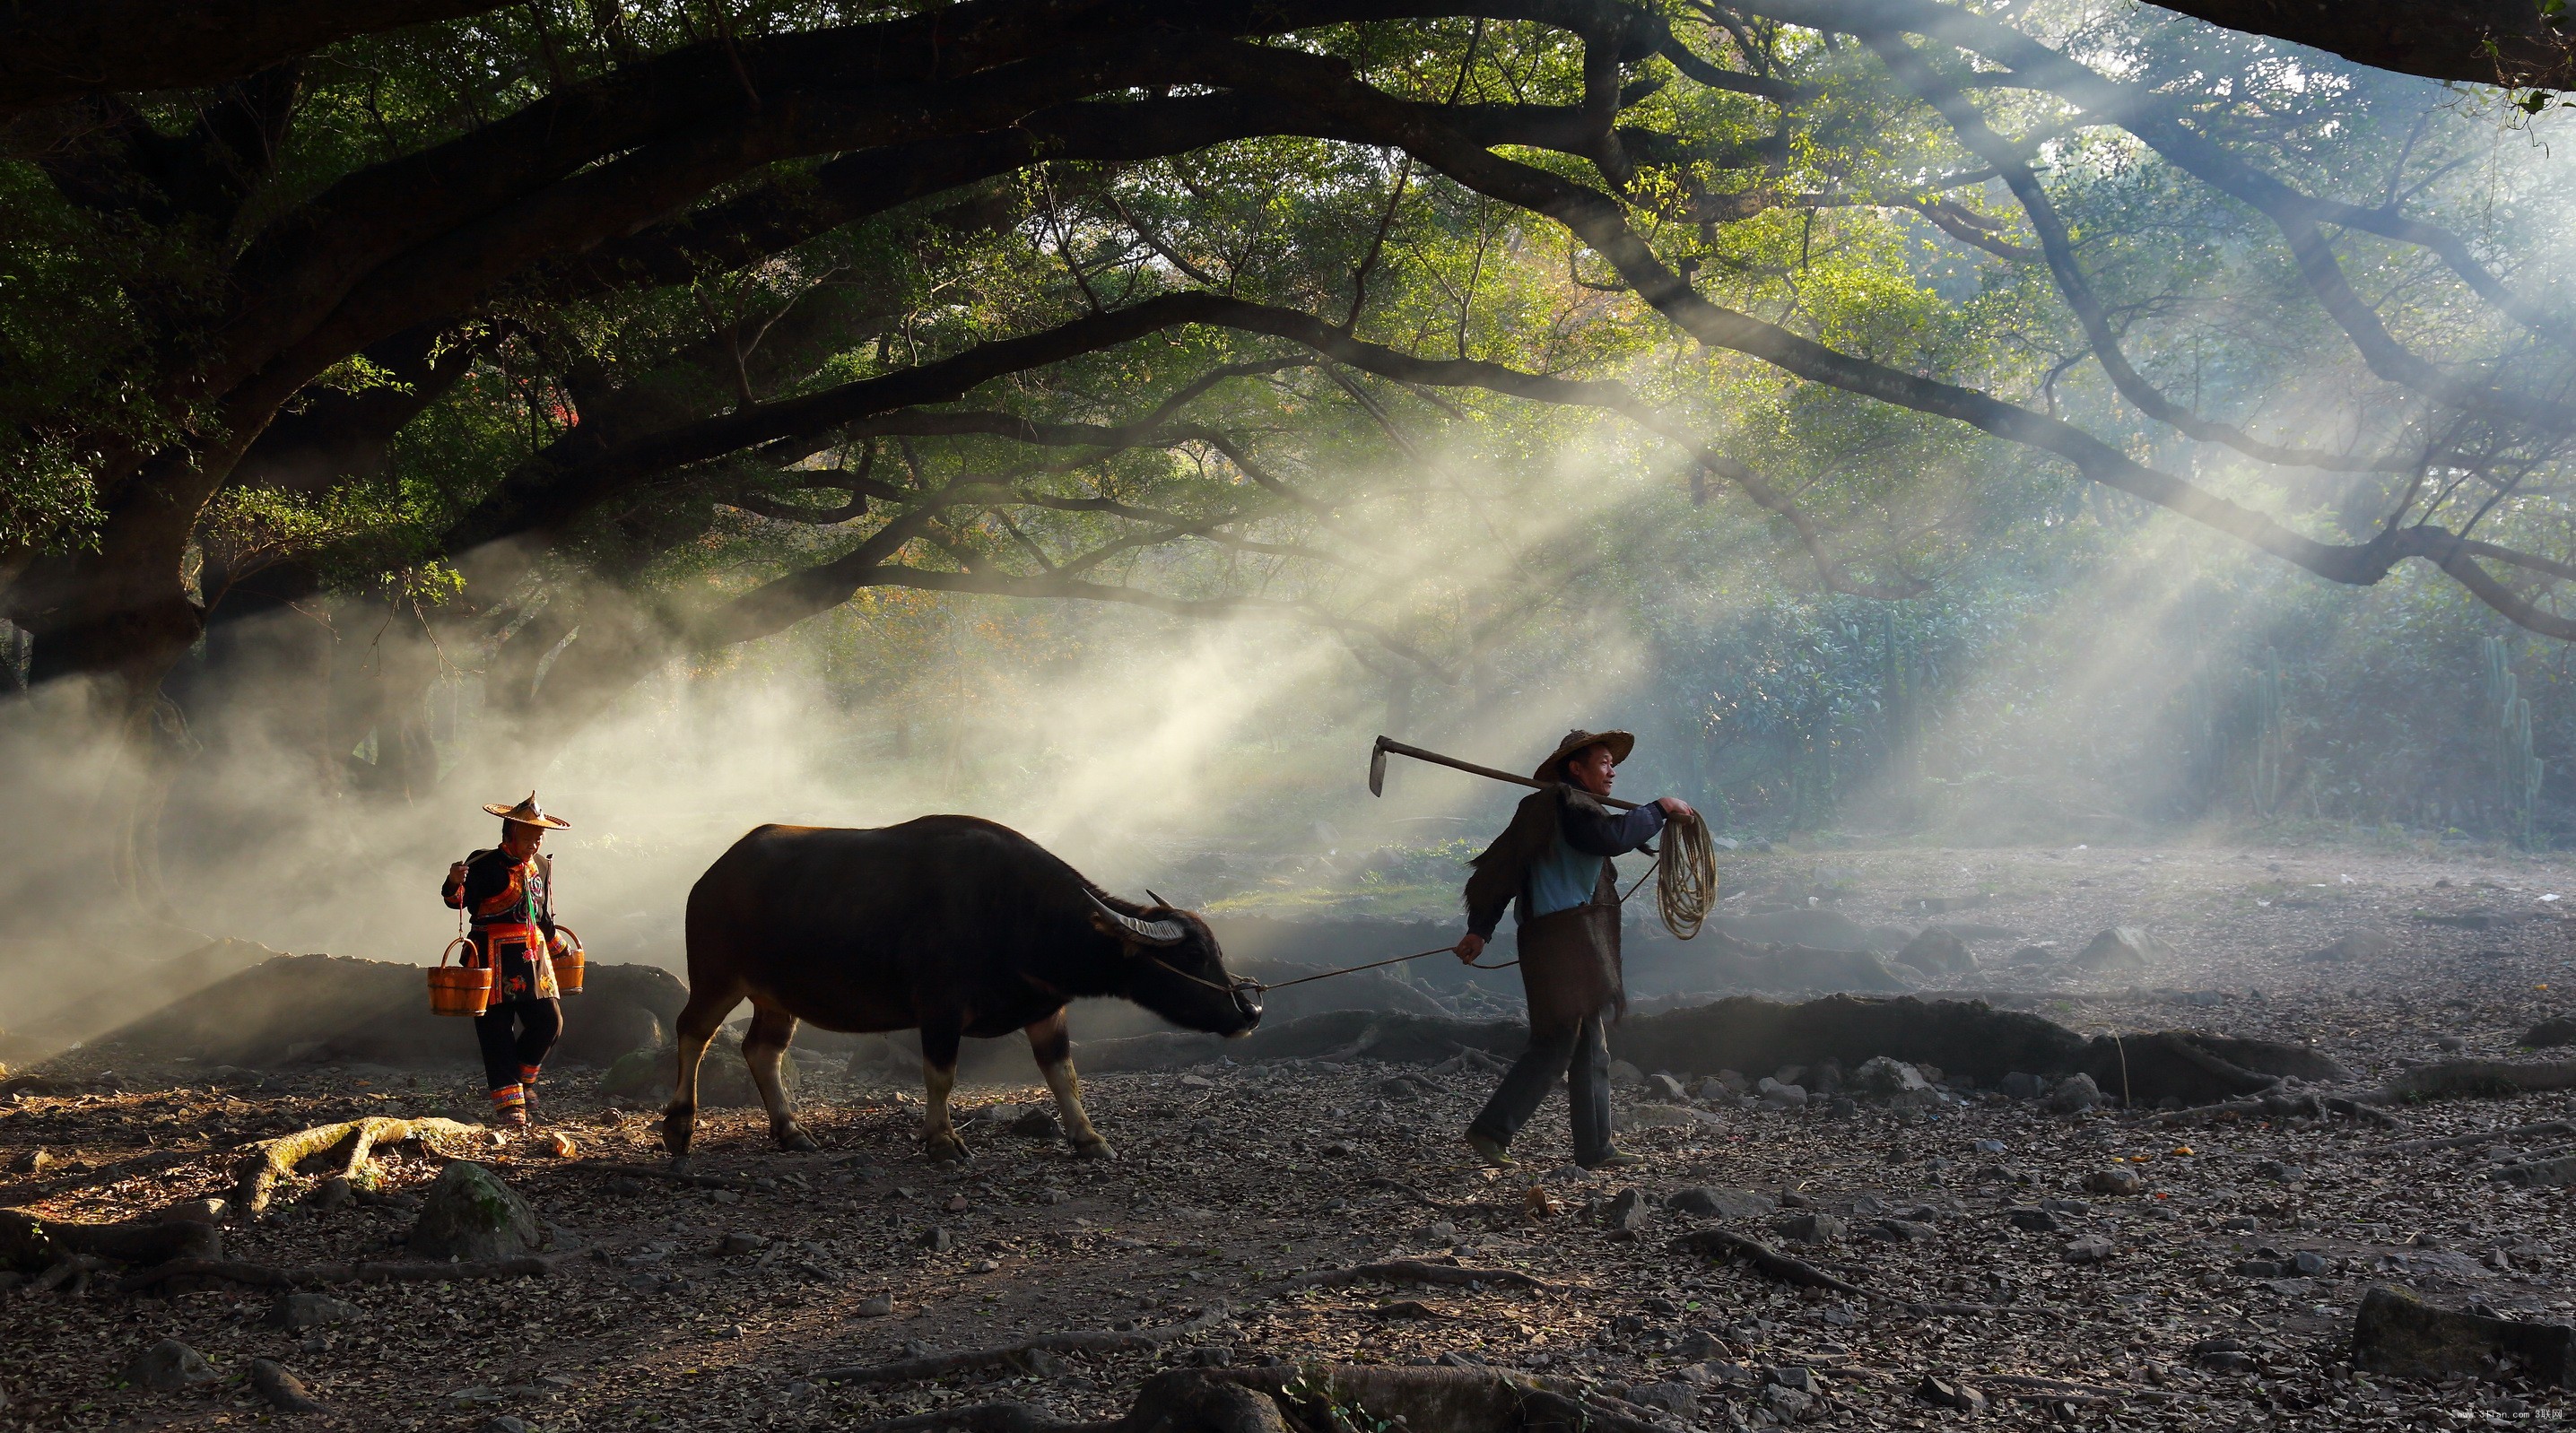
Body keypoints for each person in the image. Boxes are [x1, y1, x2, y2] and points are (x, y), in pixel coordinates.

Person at [1452, 730, 1694, 1169]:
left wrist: (1480, 931)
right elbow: (1609, 839)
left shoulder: (1565, 809)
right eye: (1603, 762)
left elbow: (1506, 871)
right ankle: (1490, 1130)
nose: (1612, 771)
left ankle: (1595, 1148)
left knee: (1590, 1044)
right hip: (1558, 939)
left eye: (1611, 763)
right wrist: (1661, 807)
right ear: (1575, 768)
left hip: (1573, 937)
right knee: (1557, 1040)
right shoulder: (1566, 805)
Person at [442, 793, 574, 1127]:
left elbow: (543, 917)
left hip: (532, 957)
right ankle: (509, 1105)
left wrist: (559, 948)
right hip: (490, 955)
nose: (536, 843)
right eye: (530, 836)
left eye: (540, 836)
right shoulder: (482, 863)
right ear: (510, 833)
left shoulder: (542, 865)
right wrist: (454, 881)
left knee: (549, 1022)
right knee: (496, 1030)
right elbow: (457, 901)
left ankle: (522, 1083)